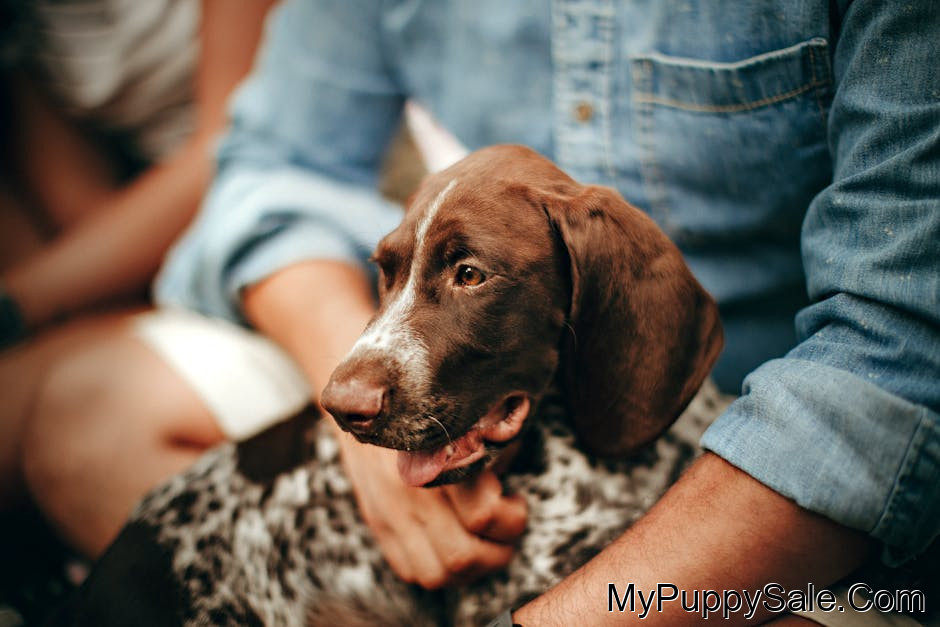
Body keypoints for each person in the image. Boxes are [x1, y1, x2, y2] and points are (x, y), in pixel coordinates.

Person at [16, 0, 940, 624]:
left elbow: (900, 349)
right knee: (85, 415)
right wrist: (361, 424)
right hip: (473, 393)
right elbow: (272, 170)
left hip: (769, 444)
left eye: (466, 270)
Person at [0, 0, 273, 553]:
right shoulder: (26, 23)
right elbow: (84, 218)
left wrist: (13, 304)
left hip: (267, 226)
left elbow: (236, 146)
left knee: (78, 435)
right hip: (154, 271)